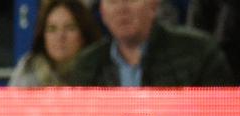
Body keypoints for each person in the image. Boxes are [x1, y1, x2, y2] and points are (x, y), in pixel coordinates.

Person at [67, 0, 233, 85]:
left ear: (154, 5)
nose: (122, 9)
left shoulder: (199, 53)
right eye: (113, 1)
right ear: (102, 12)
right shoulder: (86, 66)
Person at [10, 0, 102, 86]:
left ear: (84, 33)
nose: (60, 36)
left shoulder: (102, 71)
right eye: (52, 29)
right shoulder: (27, 70)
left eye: (70, 28)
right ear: (43, 35)